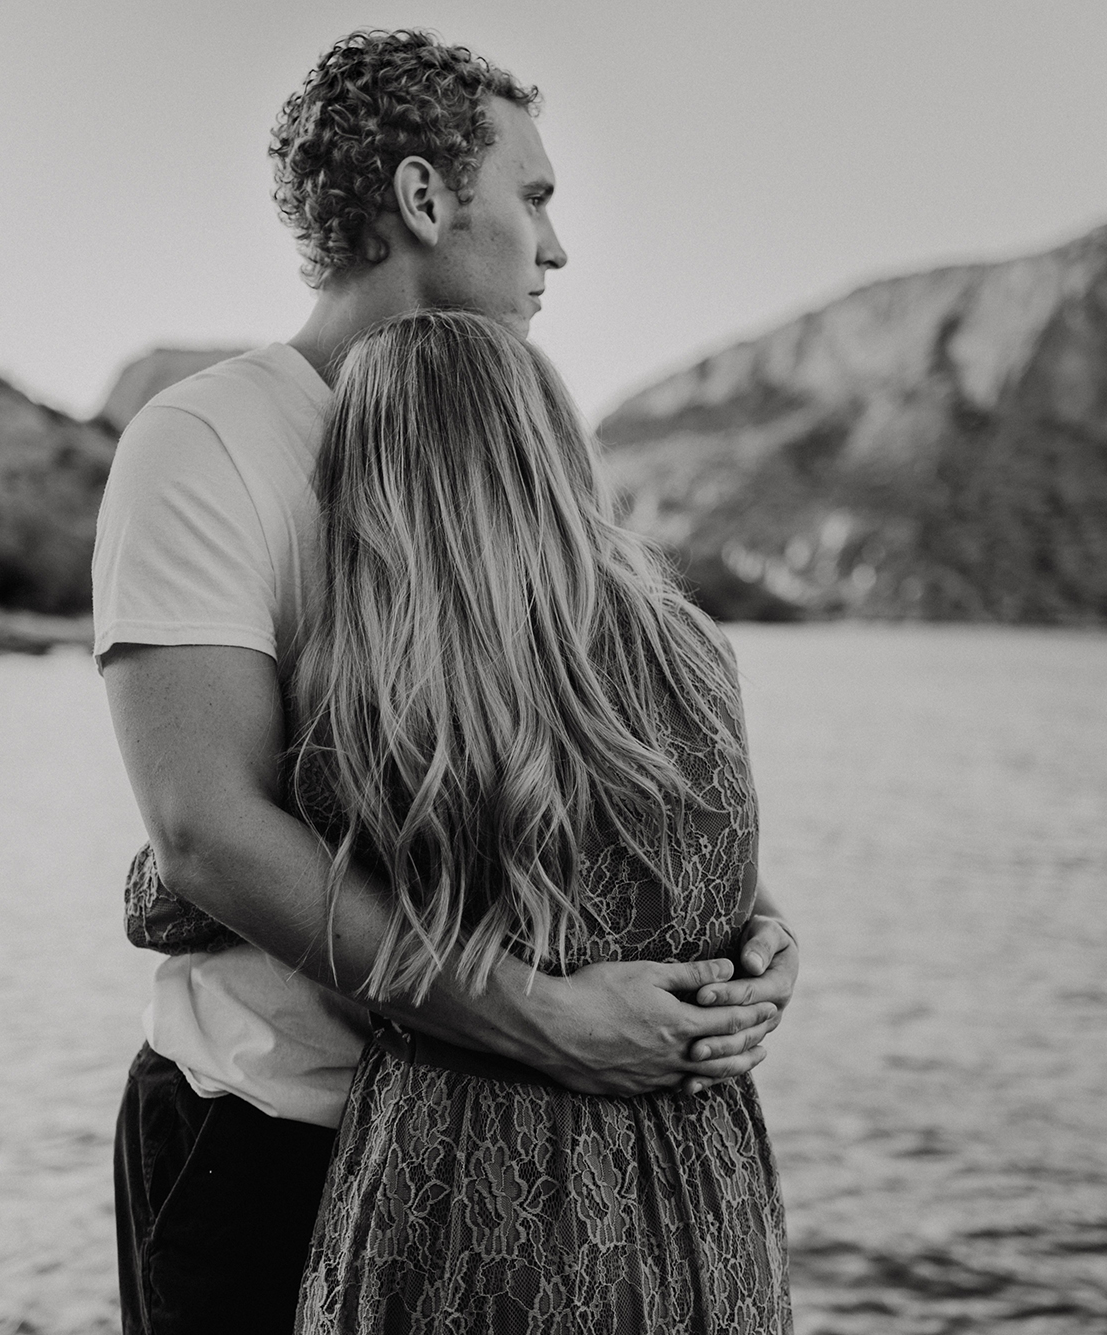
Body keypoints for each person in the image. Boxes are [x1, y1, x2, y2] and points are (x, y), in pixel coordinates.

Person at [93, 30, 799, 1334]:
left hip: (502, 1169)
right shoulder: (204, 441)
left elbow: (596, 770)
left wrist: (742, 938)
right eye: (531, 198)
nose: (557, 246)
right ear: (425, 200)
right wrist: (545, 1018)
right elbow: (204, 831)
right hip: (279, 1131)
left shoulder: (513, 461)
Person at [290, 309, 790, 1333]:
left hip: (474, 1184)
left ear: (373, 481)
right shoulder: (692, 651)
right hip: (703, 1166)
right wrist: (767, 945)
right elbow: (712, 875)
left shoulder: (387, 695)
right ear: (554, 450)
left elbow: (197, 879)